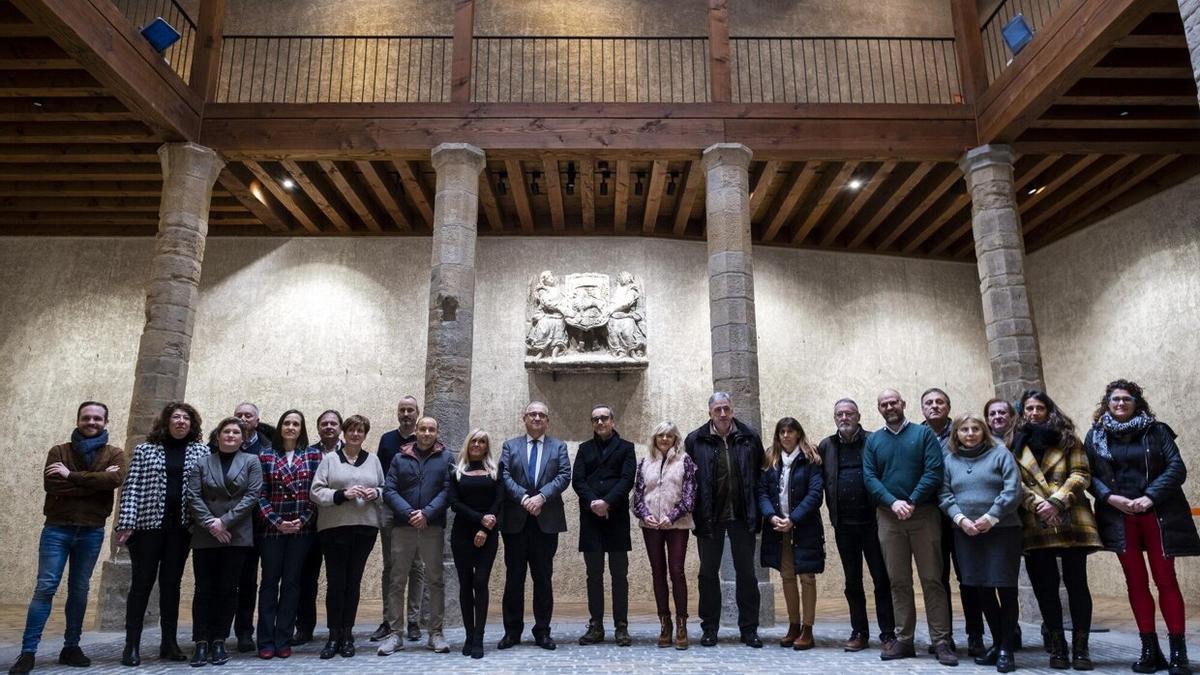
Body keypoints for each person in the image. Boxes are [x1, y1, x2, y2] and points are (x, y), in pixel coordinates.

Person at [1084, 380, 1199, 675]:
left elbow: (1177, 468)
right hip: (1120, 516)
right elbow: (1089, 475)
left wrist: (1149, 497)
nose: (1120, 404)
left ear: (1137, 402)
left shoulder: (1156, 430)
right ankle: (1150, 651)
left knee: (1166, 580)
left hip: (1157, 513)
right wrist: (1111, 497)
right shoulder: (1095, 435)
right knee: (1135, 582)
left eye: (1126, 399)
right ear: (1106, 404)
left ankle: (1178, 654)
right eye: (1115, 400)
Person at [9, 402, 125, 675]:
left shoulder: (115, 453)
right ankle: (28, 652)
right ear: (78, 420)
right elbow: (52, 484)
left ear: (105, 422)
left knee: (79, 589)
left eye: (97, 418)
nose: (92, 422)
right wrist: (96, 481)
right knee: (46, 588)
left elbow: (115, 480)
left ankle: (71, 647)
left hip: (91, 531)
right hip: (57, 529)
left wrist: (71, 476)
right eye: (87, 417)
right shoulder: (58, 451)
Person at [863, 389, 955, 665]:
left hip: (923, 515)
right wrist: (893, 502)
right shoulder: (874, 441)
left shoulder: (923, 434)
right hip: (889, 518)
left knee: (932, 580)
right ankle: (904, 640)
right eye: (884, 404)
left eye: (894, 402)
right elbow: (869, 476)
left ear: (903, 404)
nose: (890, 406)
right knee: (898, 582)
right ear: (879, 408)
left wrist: (912, 500)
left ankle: (941, 641)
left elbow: (933, 471)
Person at [1011, 390, 1101, 670]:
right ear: (1023, 412)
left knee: (1077, 585)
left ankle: (1081, 649)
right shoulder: (1013, 444)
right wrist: (1038, 504)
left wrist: (1056, 502)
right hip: (1035, 518)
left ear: (1050, 411)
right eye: (1029, 408)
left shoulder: (1069, 439)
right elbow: (1013, 480)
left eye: (1040, 408)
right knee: (1045, 588)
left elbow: (1081, 474)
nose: (1034, 413)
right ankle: (1058, 647)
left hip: (1070, 516)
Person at [115, 402, 210, 667]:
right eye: (176, 417)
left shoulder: (201, 452)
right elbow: (131, 488)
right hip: (147, 528)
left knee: (171, 585)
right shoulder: (146, 450)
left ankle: (168, 643)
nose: (181, 422)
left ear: (192, 424)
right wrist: (126, 522)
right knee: (142, 584)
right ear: (166, 421)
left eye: (186, 418)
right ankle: (131, 645)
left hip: (181, 530)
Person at [938, 413, 1022, 673]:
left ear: (984, 432)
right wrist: (961, 519)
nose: (971, 433)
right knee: (980, 588)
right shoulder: (950, 460)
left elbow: (1013, 490)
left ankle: (1008, 648)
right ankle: (996, 644)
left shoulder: (1001, 455)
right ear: (957, 434)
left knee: (1005, 588)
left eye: (976, 428)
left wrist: (991, 517)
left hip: (1002, 531)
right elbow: (944, 492)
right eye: (965, 429)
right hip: (967, 533)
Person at [686, 392, 765, 649]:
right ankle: (710, 629)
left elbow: (759, 476)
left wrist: (758, 511)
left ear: (732, 410)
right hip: (710, 518)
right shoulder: (695, 440)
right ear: (709, 412)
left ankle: (749, 629)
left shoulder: (749, 437)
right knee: (708, 574)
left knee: (747, 574)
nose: (722, 413)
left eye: (726, 409)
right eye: (718, 409)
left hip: (742, 516)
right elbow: (689, 481)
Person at [817, 399, 896, 653]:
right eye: (839, 414)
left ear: (858, 415)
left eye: (849, 413)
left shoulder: (874, 440)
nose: (844, 417)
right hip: (844, 525)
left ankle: (887, 633)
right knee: (852, 581)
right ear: (834, 418)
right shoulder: (826, 446)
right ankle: (859, 631)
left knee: (881, 579)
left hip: (873, 523)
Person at [185, 417, 263, 667]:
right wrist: (211, 524)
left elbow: (252, 495)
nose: (230, 435)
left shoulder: (252, 461)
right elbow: (193, 495)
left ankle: (219, 640)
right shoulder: (202, 462)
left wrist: (225, 522)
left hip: (236, 534)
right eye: (226, 432)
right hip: (206, 534)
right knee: (204, 589)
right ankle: (201, 642)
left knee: (229, 589)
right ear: (217, 436)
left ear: (242, 438)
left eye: (235, 432)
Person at [498, 401, 571, 651]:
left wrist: (541, 497)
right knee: (514, 578)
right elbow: (504, 475)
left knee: (543, 578)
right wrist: (524, 498)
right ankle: (512, 631)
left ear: (547, 420)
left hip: (545, 521)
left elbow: (564, 476)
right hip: (515, 522)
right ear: (524, 418)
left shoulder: (558, 446)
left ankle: (542, 631)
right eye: (533, 414)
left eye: (542, 415)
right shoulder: (510, 446)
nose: (537, 418)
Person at [310, 414, 384, 660]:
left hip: (365, 529)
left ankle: (348, 634)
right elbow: (316, 492)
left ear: (365, 434)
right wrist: (342, 494)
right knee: (336, 582)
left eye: (360, 431)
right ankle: (333, 636)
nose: (355, 434)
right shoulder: (330, 459)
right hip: (334, 529)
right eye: (351, 430)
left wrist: (375, 492)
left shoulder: (373, 460)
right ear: (343, 433)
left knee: (353, 582)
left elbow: (385, 489)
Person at [380, 415, 451, 655]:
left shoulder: (446, 458)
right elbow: (389, 490)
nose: (427, 433)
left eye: (432, 429)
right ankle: (394, 634)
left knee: (435, 580)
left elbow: (448, 490)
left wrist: (427, 514)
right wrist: (410, 512)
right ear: (416, 432)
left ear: (436, 432)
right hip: (403, 526)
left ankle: (435, 633)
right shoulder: (400, 458)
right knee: (397, 580)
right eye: (423, 429)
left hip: (432, 527)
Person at [921, 387, 984, 658]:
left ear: (948, 406)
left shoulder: (961, 431)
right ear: (922, 408)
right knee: (937, 578)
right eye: (929, 403)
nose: (934, 406)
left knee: (969, 577)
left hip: (962, 516)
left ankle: (976, 636)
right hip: (929, 516)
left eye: (939, 402)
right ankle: (943, 637)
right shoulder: (918, 434)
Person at [255, 410, 321, 659]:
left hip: (301, 530)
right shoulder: (265, 455)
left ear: (301, 429)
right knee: (270, 584)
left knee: (292, 584)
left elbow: (316, 493)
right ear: (280, 426)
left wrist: (301, 522)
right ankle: (265, 640)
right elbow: (259, 495)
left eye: (296, 424)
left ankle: (284, 639)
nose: (291, 427)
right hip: (272, 530)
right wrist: (277, 522)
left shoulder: (312, 455)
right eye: (287, 423)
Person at [757, 417, 824, 652]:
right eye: (782, 431)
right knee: (787, 576)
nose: (786, 435)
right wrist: (771, 516)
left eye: (790, 431)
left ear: (798, 434)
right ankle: (793, 624)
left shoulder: (810, 458)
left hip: (804, 527)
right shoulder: (770, 459)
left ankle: (807, 628)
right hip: (778, 528)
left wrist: (793, 518)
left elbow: (816, 494)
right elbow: (762, 492)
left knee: (807, 577)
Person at [572, 403, 637, 646]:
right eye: (595, 419)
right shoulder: (584, 449)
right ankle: (596, 626)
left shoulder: (627, 448)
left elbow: (627, 479)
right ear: (592, 423)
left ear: (613, 421)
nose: (600, 422)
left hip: (616, 518)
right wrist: (594, 503)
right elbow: (577, 480)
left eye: (604, 418)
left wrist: (607, 502)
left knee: (620, 575)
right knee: (593, 574)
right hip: (591, 520)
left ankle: (621, 626)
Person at [632, 420, 696, 650]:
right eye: (661, 435)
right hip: (651, 526)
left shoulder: (685, 461)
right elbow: (637, 496)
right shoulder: (645, 462)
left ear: (676, 439)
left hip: (677, 525)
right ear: (655, 438)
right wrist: (644, 514)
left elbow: (689, 496)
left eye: (669, 435)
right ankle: (664, 623)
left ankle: (681, 624)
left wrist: (672, 516)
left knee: (676, 571)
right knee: (657, 572)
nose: (665, 439)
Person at [372, 396, 429, 645]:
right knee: (391, 568)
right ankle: (390, 621)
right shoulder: (387, 440)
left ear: (418, 413)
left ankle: (413, 621)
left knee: (417, 567)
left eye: (410, 410)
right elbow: (383, 479)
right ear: (397, 413)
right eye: (402, 410)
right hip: (391, 512)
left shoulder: (426, 440)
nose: (406, 414)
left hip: (418, 514)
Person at [448, 429, 504, 659]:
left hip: (488, 534)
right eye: (474, 440)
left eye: (482, 441)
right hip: (462, 534)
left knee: (480, 583)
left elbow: (499, 501)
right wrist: (479, 518)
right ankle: (469, 636)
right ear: (468, 443)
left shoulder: (495, 472)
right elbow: (454, 503)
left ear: (487, 446)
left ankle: (479, 636)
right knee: (465, 584)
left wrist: (485, 527)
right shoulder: (456, 471)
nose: (478, 444)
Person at [294, 409, 343, 645]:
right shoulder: (307, 453)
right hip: (310, 524)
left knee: (338, 579)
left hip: (339, 524)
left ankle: (339, 628)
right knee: (306, 578)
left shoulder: (351, 452)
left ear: (340, 427)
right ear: (318, 428)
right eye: (324, 423)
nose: (329, 427)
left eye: (333, 423)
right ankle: (304, 627)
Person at [227, 402, 272, 654]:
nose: (243, 419)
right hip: (225, 522)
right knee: (224, 580)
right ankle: (217, 632)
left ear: (257, 420)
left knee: (248, 580)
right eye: (239, 415)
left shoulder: (267, 446)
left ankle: (244, 631)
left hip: (257, 522)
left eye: (248, 415)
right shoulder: (221, 442)